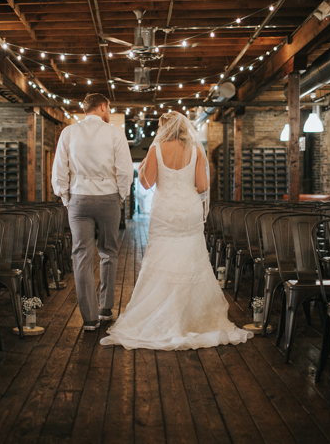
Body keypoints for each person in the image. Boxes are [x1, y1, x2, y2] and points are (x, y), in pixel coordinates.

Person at [100, 111, 253, 350]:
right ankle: (191, 315)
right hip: (190, 210)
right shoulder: (196, 150)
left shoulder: (156, 150)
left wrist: (144, 168)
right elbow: (202, 186)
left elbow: (147, 183)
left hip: (165, 211)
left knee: (161, 255)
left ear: (163, 129)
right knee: (191, 257)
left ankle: (162, 312)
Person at [52, 93, 133, 331]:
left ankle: (88, 319)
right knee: (109, 251)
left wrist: (65, 196)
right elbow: (125, 170)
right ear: (103, 106)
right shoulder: (115, 132)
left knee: (81, 256)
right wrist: (121, 194)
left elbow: (59, 167)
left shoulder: (69, 132)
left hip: (78, 197)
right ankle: (106, 309)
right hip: (108, 197)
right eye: (108, 108)